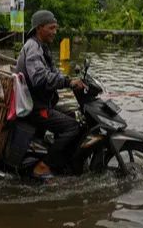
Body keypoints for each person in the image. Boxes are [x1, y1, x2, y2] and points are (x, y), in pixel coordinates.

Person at [16, 10, 86, 179]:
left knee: (77, 116)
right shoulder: (33, 47)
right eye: (51, 28)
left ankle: (65, 161)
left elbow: (53, 72)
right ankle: (44, 165)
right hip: (34, 107)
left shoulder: (42, 47)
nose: (55, 32)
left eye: (56, 28)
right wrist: (68, 83)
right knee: (72, 127)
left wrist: (71, 79)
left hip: (42, 102)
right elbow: (40, 78)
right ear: (40, 28)